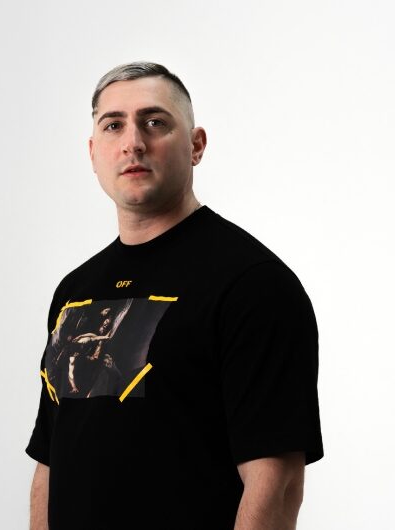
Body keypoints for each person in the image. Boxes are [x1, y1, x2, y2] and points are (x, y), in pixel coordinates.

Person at [25, 61, 324, 530]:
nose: (133, 142)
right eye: (113, 125)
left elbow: (277, 483)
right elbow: (50, 459)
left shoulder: (253, 283)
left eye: (154, 122)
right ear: (93, 151)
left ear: (196, 145)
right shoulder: (76, 291)